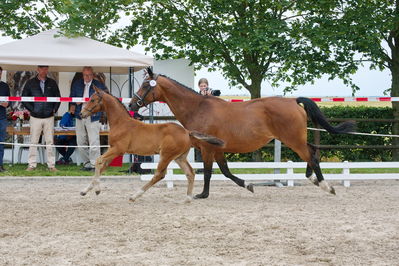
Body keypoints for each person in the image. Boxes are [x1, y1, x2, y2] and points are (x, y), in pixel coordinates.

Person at [22, 65, 60, 172]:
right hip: (35, 117)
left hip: (49, 117)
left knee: (50, 141)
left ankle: (51, 165)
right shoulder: (30, 83)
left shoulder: (52, 83)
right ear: (37, 69)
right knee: (33, 141)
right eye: (42, 68)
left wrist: (54, 110)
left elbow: (58, 97)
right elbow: (24, 98)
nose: (44, 70)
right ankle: (31, 165)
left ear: (48, 69)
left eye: (46, 68)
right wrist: (32, 110)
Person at [70, 66, 108, 171]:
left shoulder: (99, 85)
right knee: (80, 141)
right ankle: (86, 164)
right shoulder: (77, 84)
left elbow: (105, 98)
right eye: (86, 75)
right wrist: (73, 103)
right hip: (79, 115)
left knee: (94, 142)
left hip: (93, 116)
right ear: (82, 75)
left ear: (93, 75)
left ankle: (94, 165)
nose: (88, 77)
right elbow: (71, 98)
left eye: (90, 75)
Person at [0, 66, 10, 172]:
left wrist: (7, 104)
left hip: (2, 118)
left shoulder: (4, 86)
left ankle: (0, 165)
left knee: (1, 142)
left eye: (0, 73)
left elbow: (9, 100)